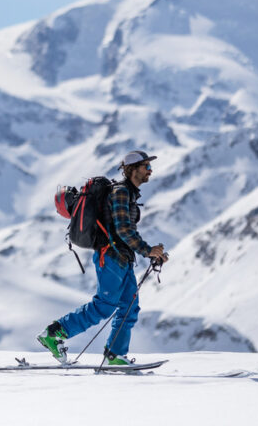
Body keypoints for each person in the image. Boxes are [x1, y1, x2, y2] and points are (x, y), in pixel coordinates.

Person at [37, 151, 168, 366]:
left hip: (122, 258)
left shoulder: (128, 193)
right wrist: (147, 250)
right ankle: (54, 333)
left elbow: (124, 231)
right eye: (146, 166)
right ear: (132, 169)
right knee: (105, 305)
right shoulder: (121, 193)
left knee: (129, 308)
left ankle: (115, 356)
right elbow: (124, 229)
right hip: (111, 257)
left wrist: (152, 252)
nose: (150, 171)